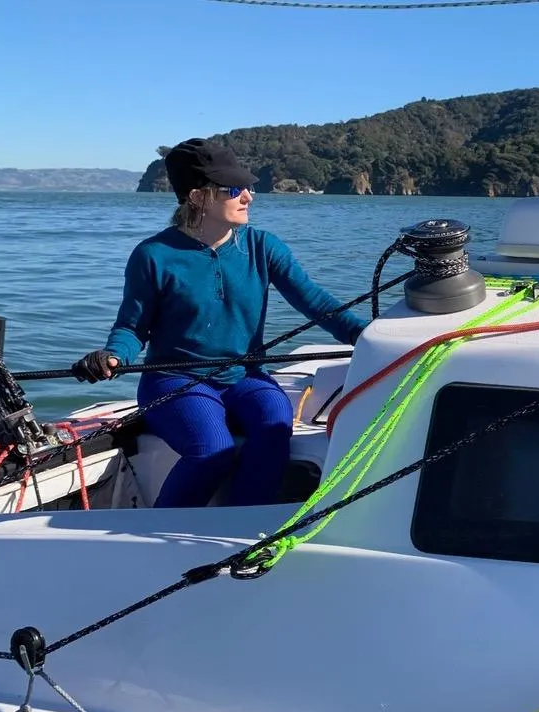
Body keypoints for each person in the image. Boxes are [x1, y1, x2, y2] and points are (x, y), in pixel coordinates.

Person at [71, 138, 368, 509]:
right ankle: (152, 532)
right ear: (197, 197)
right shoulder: (153, 255)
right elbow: (132, 328)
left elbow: (316, 303)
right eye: (234, 189)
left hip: (246, 378)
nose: (248, 197)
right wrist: (112, 356)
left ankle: (243, 525)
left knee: (275, 423)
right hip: (175, 380)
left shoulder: (263, 247)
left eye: (247, 187)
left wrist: (368, 337)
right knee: (213, 450)